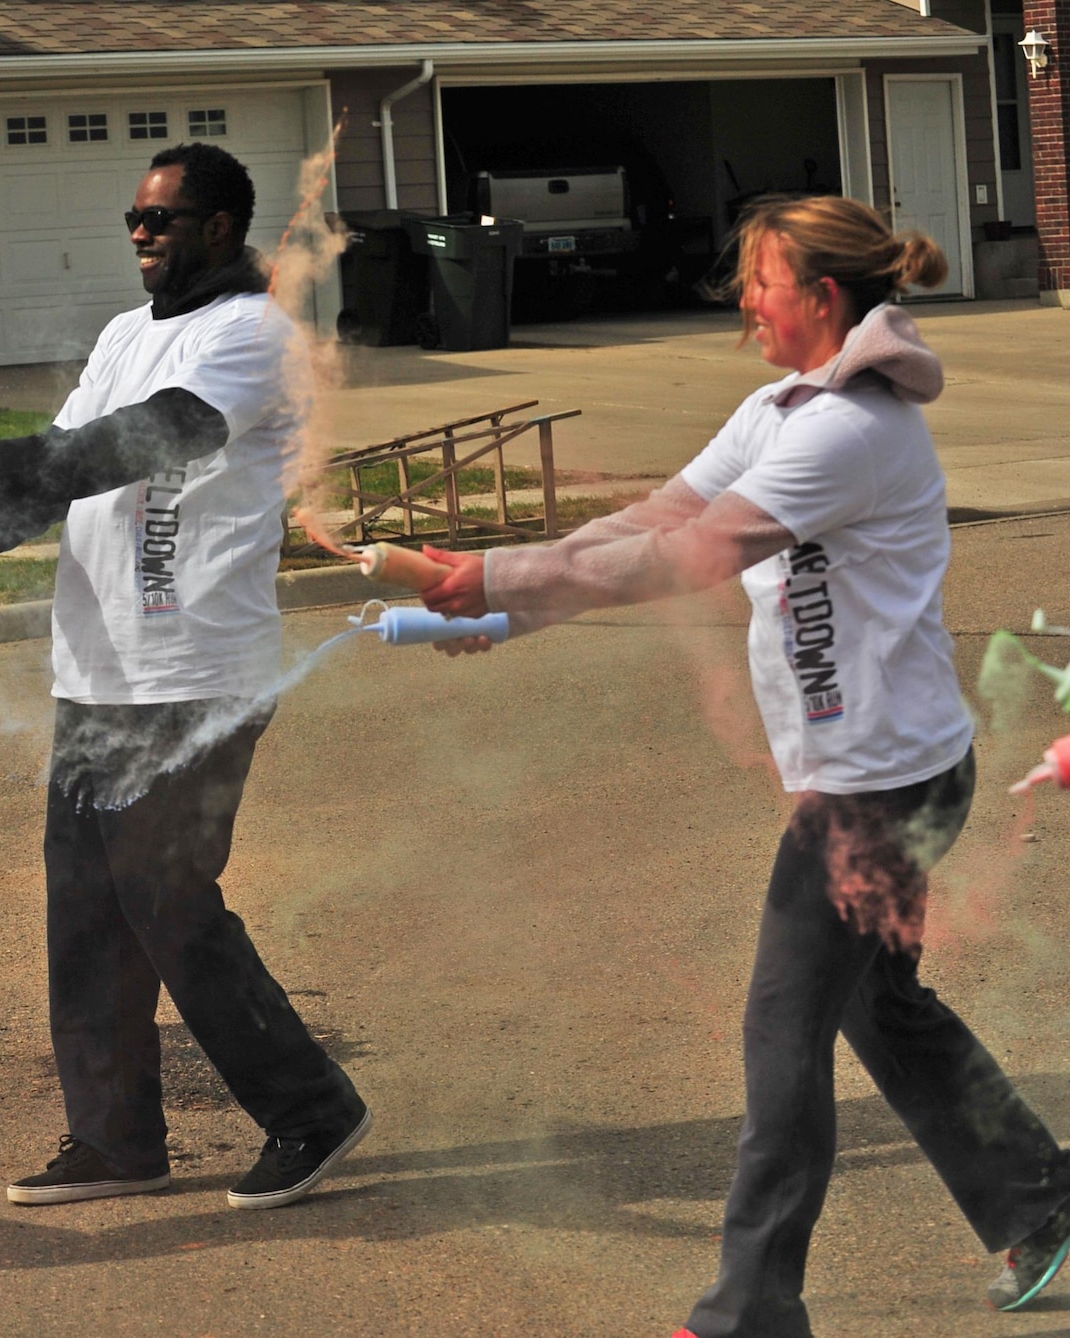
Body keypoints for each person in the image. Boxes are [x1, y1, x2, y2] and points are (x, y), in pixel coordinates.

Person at [417, 194, 1070, 1335]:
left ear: (818, 298)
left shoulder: (849, 431)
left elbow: (691, 557)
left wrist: (501, 584)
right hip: (877, 770)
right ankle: (1041, 1200)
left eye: (759, 281)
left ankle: (750, 1308)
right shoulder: (779, 409)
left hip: (877, 791)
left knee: (782, 1033)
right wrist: (506, 601)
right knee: (879, 1010)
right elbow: (653, 516)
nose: (740, 299)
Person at [0, 142, 370, 1212]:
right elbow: (75, 457)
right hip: (98, 667)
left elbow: (159, 438)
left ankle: (311, 1110)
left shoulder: (252, 335)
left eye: (161, 218)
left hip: (196, 670)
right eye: (132, 218)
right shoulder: (121, 335)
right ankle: (114, 1140)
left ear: (217, 228)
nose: (140, 234)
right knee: (87, 907)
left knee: (166, 899)